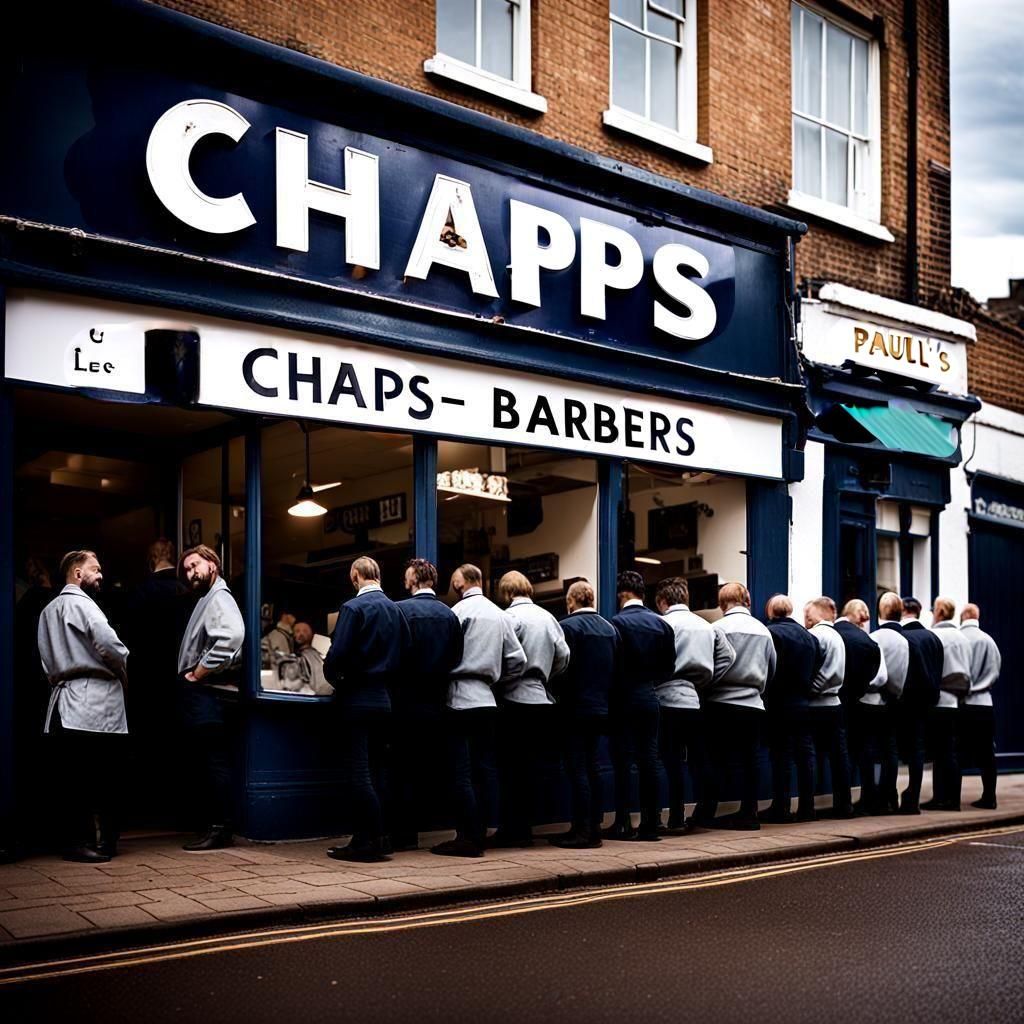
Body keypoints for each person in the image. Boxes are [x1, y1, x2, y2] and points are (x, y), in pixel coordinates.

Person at [37, 550, 129, 862]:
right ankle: (101, 843)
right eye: (96, 569)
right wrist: (123, 671)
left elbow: (46, 660)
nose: (101, 575)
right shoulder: (84, 604)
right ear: (78, 574)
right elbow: (111, 646)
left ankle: (79, 840)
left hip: (64, 700)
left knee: (73, 777)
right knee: (101, 776)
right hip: (94, 701)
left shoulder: (49, 611)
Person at [432, 564, 526, 859]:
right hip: (488, 699)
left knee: (461, 771)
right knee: (486, 770)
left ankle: (467, 837)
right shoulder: (500, 614)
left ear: (460, 583)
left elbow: (443, 655)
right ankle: (484, 831)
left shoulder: (458, 613)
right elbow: (518, 660)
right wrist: (497, 678)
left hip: (460, 697)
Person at [324, 556, 410, 862]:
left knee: (358, 774)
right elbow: (405, 654)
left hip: (357, 698)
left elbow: (337, 654)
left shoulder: (353, 608)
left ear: (356, 577)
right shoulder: (397, 610)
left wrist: (335, 679)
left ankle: (370, 841)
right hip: (384, 700)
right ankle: (368, 838)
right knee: (377, 772)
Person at [392, 559, 464, 850]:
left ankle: (404, 835)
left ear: (412, 579)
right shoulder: (449, 615)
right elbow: (456, 657)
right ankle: (430, 825)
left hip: (403, 700)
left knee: (401, 770)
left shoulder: (400, 611)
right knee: (429, 769)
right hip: (437, 701)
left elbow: (393, 654)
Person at [493, 571, 569, 847]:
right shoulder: (548, 618)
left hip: (514, 699)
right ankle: (527, 827)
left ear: (506, 592)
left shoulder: (509, 618)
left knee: (511, 770)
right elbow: (564, 656)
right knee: (533, 770)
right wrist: (546, 674)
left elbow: (503, 656)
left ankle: (513, 829)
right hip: (542, 699)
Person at [177, 544, 245, 851]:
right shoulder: (209, 597)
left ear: (212, 565)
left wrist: (197, 673)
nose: (191, 572)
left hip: (209, 693)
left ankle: (220, 830)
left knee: (215, 762)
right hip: (206, 694)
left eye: (195, 565)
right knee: (210, 761)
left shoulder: (218, 596)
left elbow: (231, 637)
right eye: (188, 569)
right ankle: (217, 827)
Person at [656, 577, 735, 833]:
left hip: (666, 698)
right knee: (699, 761)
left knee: (670, 761)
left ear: (662, 601)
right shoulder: (707, 626)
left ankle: (675, 818)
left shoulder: (663, 623)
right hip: (694, 700)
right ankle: (703, 813)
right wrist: (709, 679)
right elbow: (728, 656)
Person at [605, 571, 675, 841]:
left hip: (622, 698)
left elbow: (611, 665)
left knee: (623, 761)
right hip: (649, 697)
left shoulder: (616, 624)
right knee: (650, 760)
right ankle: (650, 824)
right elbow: (668, 668)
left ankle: (622, 823)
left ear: (622, 594)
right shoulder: (662, 625)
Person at [699, 583, 775, 830]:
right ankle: (748, 812)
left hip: (719, 703)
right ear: (748, 602)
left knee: (714, 759)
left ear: (722, 605)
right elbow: (772, 667)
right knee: (751, 760)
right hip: (753, 704)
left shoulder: (715, 628)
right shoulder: (764, 631)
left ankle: (706, 811)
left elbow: (709, 666)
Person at [549, 580, 618, 849]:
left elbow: (560, 668)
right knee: (593, 767)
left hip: (575, 708)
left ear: (571, 601)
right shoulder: (609, 629)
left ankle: (583, 831)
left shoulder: (567, 627)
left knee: (577, 768)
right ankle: (593, 826)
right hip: (601, 708)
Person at [123, 539, 187, 824]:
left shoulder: (141, 592)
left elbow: (127, 639)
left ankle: (150, 810)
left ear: (151, 559)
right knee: (178, 747)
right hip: (181, 679)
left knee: (148, 746)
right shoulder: (186, 592)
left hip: (147, 680)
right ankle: (177, 810)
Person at [762, 594, 821, 823]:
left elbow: (768, 667)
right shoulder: (809, 636)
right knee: (805, 755)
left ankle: (781, 807)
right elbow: (817, 665)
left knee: (781, 756)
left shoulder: (772, 633)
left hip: (779, 702)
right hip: (803, 702)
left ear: (770, 612)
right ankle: (808, 807)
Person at [804, 597, 853, 818]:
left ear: (817, 613)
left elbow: (814, 672)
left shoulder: (816, 635)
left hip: (816, 705)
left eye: (807, 615)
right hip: (836, 703)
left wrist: (809, 690)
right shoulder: (837, 636)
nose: (805, 620)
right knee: (839, 757)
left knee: (809, 755)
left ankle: (808, 807)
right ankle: (844, 805)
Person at [861, 593, 909, 815]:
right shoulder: (903, 640)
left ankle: (870, 796)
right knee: (891, 750)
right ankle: (889, 795)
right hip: (895, 701)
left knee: (869, 749)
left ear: (880, 612)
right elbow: (901, 675)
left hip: (873, 700)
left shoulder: (875, 637)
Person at [896, 597, 943, 814]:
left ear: (902, 610)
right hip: (928, 702)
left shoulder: (902, 636)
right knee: (918, 749)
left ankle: (890, 796)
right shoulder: (933, 637)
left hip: (903, 702)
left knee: (893, 748)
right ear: (920, 610)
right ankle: (913, 794)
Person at [924, 597, 971, 811]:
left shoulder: (935, 635)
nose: (932, 612)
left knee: (939, 752)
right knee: (951, 751)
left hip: (938, 700)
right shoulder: (962, 637)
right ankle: (953, 798)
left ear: (940, 612)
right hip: (956, 700)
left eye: (934, 609)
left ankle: (940, 797)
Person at [958, 603, 1001, 810]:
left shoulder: (959, 639)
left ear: (963, 616)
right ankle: (989, 796)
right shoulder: (989, 641)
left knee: (955, 750)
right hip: (984, 703)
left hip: (962, 703)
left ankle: (951, 797)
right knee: (987, 752)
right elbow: (995, 671)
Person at [293, 621, 334, 696]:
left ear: (311, 635)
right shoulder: (295, 655)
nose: (301, 634)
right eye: (297, 631)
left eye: (305, 631)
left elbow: (321, 686)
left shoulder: (311, 655)